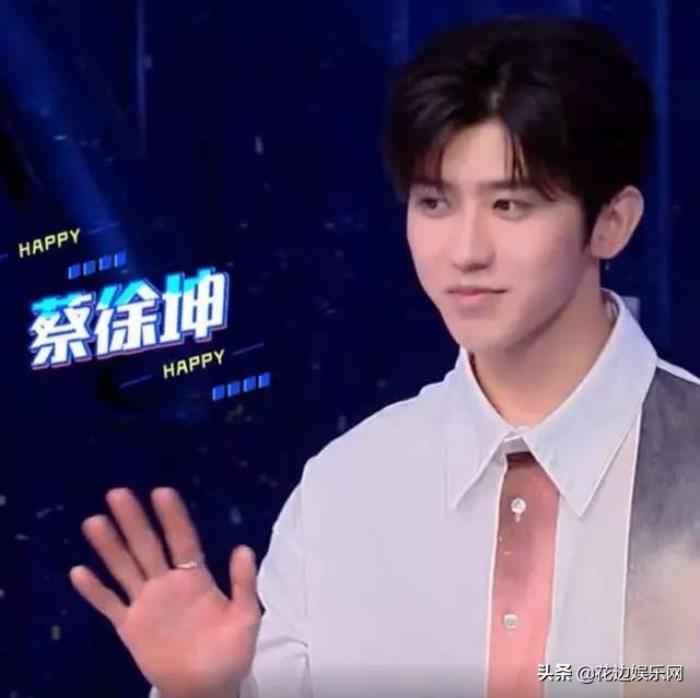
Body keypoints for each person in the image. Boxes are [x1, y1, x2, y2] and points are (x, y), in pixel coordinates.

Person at [70, 15, 700, 698]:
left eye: (510, 206)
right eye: (434, 203)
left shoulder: (687, 455)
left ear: (612, 222)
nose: (465, 251)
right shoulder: (348, 490)